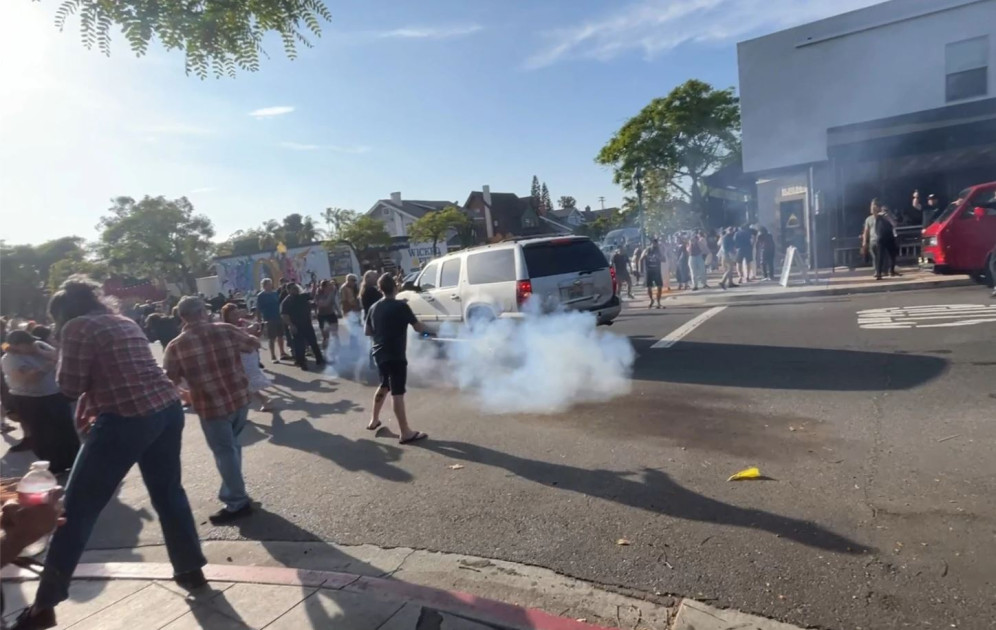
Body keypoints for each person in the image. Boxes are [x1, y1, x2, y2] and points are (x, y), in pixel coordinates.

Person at [12, 278, 206, 630]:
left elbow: (69, 387)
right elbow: (120, 371)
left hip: (125, 418)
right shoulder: (123, 321)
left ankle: (43, 606)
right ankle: (191, 570)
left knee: (74, 511)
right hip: (166, 409)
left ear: (61, 312)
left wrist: (58, 357)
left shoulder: (76, 327)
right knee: (168, 493)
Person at [164, 296, 259, 525]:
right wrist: (253, 331)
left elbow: (169, 379)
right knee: (232, 448)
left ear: (182, 317)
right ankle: (235, 492)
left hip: (211, 405)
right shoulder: (225, 329)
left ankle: (237, 501)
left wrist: (185, 393)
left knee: (225, 451)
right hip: (239, 398)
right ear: (203, 312)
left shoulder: (176, 345)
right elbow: (252, 345)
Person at [0, 330, 79, 473]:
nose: (32, 345)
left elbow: (59, 356)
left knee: (65, 429)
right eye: (27, 344)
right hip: (30, 399)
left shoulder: (38, 346)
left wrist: (41, 353)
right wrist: (49, 365)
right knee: (44, 434)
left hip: (54, 393)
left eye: (32, 341)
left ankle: (74, 460)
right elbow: (30, 378)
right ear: (16, 346)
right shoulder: (9, 359)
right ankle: (55, 466)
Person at [364, 273, 428, 444]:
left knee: (385, 384)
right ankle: (405, 432)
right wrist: (429, 329)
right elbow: (418, 328)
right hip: (395, 354)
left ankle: (374, 420)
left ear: (380, 289)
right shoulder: (401, 306)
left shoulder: (373, 307)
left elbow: (367, 331)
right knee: (397, 392)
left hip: (379, 353)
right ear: (395, 287)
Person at [221, 304, 272, 412]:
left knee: (246, 382)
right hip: (232, 357)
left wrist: (257, 329)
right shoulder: (224, 327)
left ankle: (259, 401)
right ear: (226, 316)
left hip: (247, 355)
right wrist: (247, 330)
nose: (235, 316)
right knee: (240, 384)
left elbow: (255, 337)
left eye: (236, 313)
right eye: (232, 314)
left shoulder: (242, 322)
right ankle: (259, 400)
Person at [280, 284, 325, 371]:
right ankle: (301, 363)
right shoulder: (286, 301)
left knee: (313, 342)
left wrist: (314, 285)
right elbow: (284, 315)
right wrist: (291, 325)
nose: (296, 290)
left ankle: (319, 359)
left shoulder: (302, 296)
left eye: (296, 288)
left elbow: (311, 295)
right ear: (288, 290)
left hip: (307, 324)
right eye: (294, 288)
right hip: (296, 326)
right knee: (299, 345)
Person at [255, 278, 290, 363]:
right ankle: (273, 356)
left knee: (280, 335)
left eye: (270, 283)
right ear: (264, 285)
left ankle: (282, 353)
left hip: (278, 316)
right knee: (272, 337)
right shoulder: (261, 295)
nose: (270, 285)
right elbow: (258, 309)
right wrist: (259, 320)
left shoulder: (275, 293)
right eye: (268, 284)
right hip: (269, 318)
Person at [862, 199, 898, 280]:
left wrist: (887, 216)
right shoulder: (870, 218)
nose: (872, 209)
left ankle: (888, 271)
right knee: (877, 257)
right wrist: (864, 242)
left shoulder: (885, 216)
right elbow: (866, 231)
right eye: (872, 207)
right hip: (875, 239)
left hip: (886, 238)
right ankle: (878, 272)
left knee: (889, 255)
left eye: (874, 207)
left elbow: (894, 224)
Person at [314, 279, 341, 351]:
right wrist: (330, 294)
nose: (330, 286)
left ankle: (338, 350)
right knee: (326, 336)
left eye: (331, 285)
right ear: (324, 287)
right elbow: (324, 304)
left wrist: (339, 311)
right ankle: (325, 351)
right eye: (328, 285)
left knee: (335, 334)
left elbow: (334, 302)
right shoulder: (318, 294)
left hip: (331, 314)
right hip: (322, 316)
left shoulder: (333, 292)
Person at [639, 238, 665, 309]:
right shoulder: (647, 250)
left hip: (657, 271)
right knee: (649, 287)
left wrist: (659, 257)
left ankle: (658, 302)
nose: (654, 245)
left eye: (656, 243)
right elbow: (641, 259)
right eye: (653, 243)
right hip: (649, 271)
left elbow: (664, 259)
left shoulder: (659, 250)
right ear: (651, 243)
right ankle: (651, 300)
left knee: (659, 286)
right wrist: (641, 270)